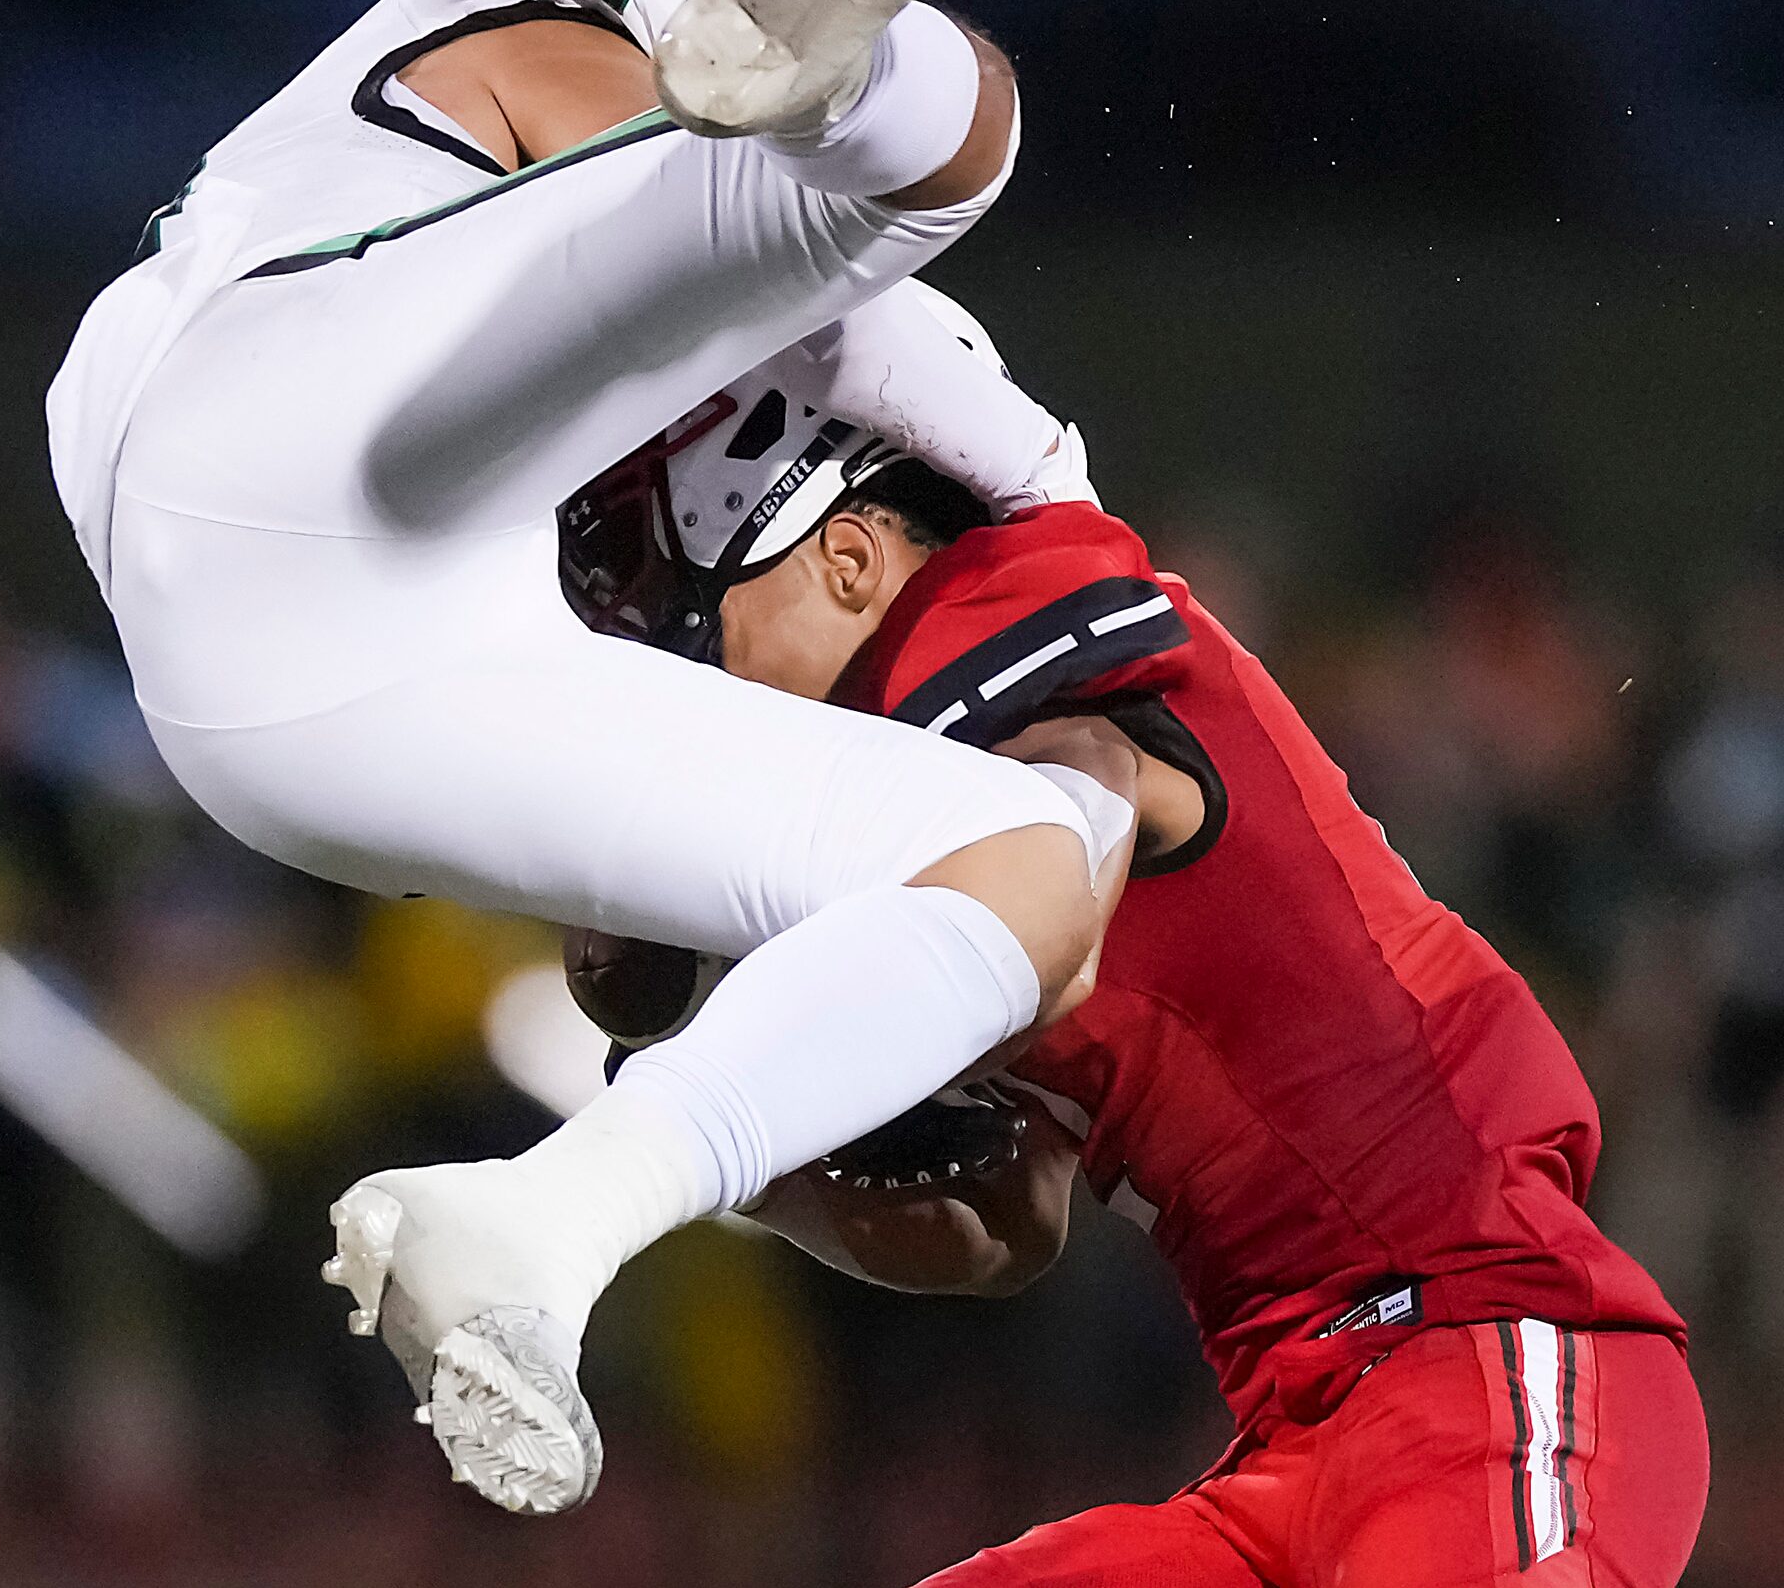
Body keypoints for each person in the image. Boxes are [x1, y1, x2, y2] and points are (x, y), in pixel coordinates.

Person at [46, 0, 1142, 1515]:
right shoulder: (526, 14)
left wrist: (862, 1059)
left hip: (296, 697)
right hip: (277, 441)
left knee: (1020, 861)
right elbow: (689, 187)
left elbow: (624, 978)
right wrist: (1058, 502)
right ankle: (863, 76)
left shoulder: (676, 477)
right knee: (928, 160)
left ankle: (545, 1227)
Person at [564, 361, 1709, 1587]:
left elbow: (1076, 819)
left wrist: (796, 999)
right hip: (1294, 1441)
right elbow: (1009, 1222)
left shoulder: (1000, 671)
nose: (697, 686)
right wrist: (725, 1154)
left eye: (700, 626)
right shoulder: (916, 873)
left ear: (846, 559)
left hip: (1483, 1350)